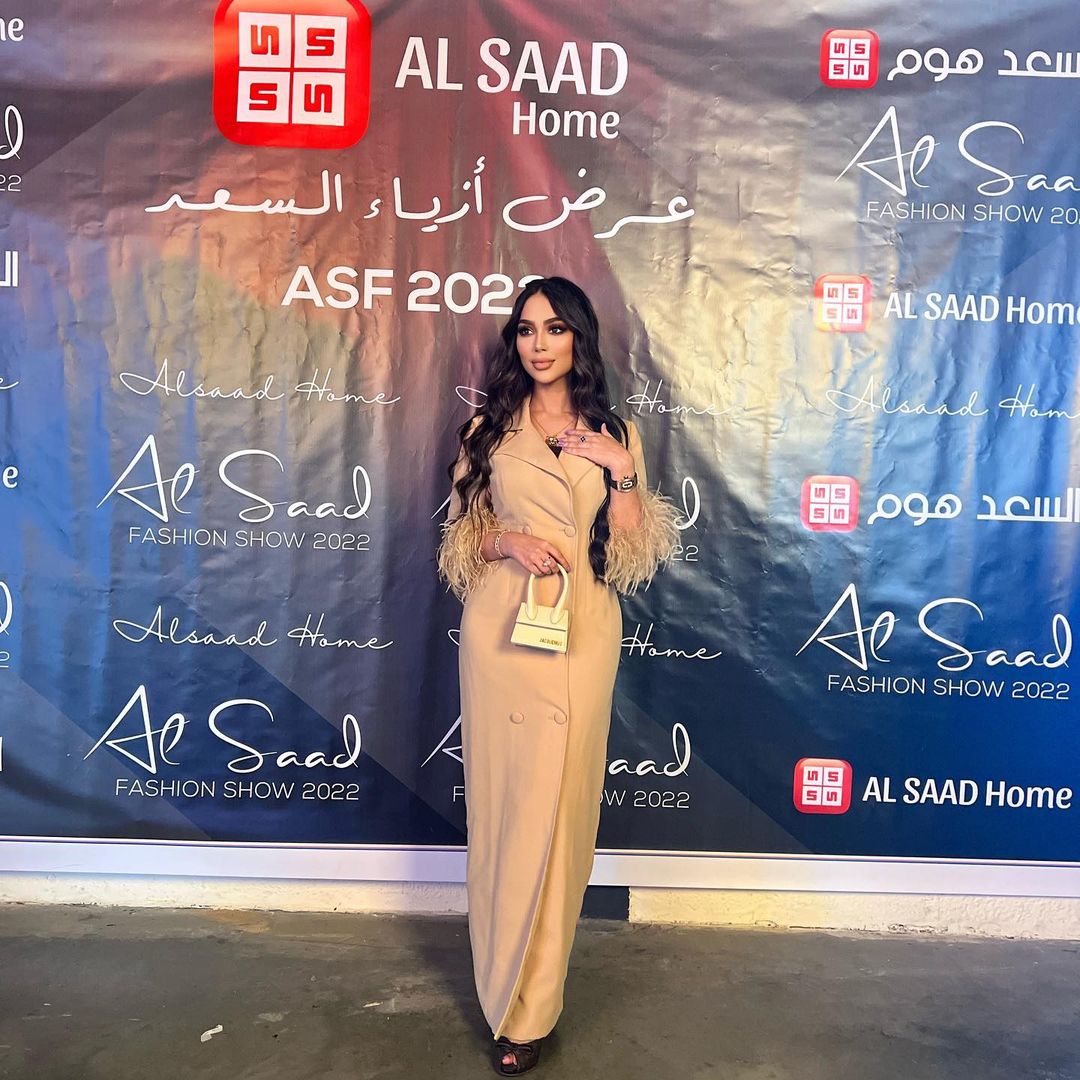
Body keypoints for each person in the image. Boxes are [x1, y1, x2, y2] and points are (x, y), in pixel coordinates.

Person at [436, 277, 678, 1075]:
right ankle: (502, 998)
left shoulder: (613, 431)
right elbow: (460, 540)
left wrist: (621, 471)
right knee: (504, 811)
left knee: (562, 814)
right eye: (526, 329)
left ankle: (533, 1007)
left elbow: (633, 552)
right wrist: (504, 541)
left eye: (555, 329)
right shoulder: (488, 429)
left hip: (580, 633)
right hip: (502, 632)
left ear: (579, 338)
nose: (539, 344)